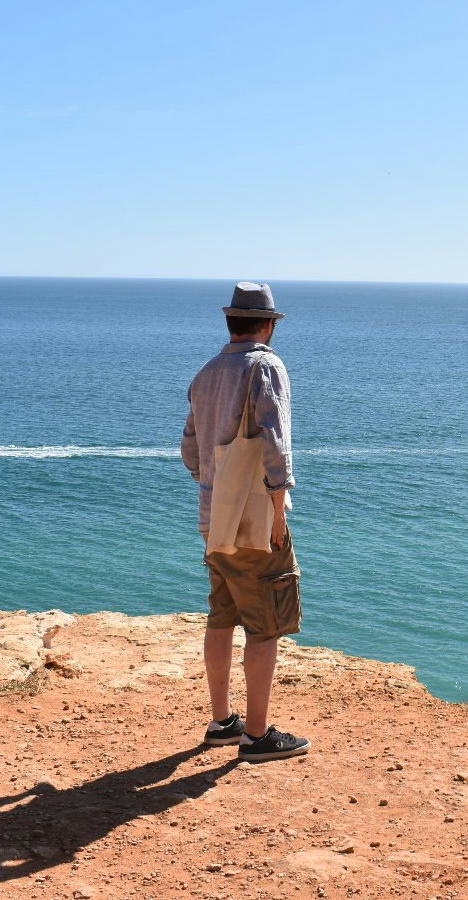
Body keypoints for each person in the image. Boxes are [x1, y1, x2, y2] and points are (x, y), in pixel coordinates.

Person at [181, 281, 310, 762]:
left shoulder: (207, 371)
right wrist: (277, 503)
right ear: (268, 324)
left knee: (223, 613)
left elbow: (190, 447)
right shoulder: (266, 365)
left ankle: (222, 722)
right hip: (255, 516)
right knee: (265, 623)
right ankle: (256, 736)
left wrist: (213, 483)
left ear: (229, 321)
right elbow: (274, 438)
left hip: (213, 516)